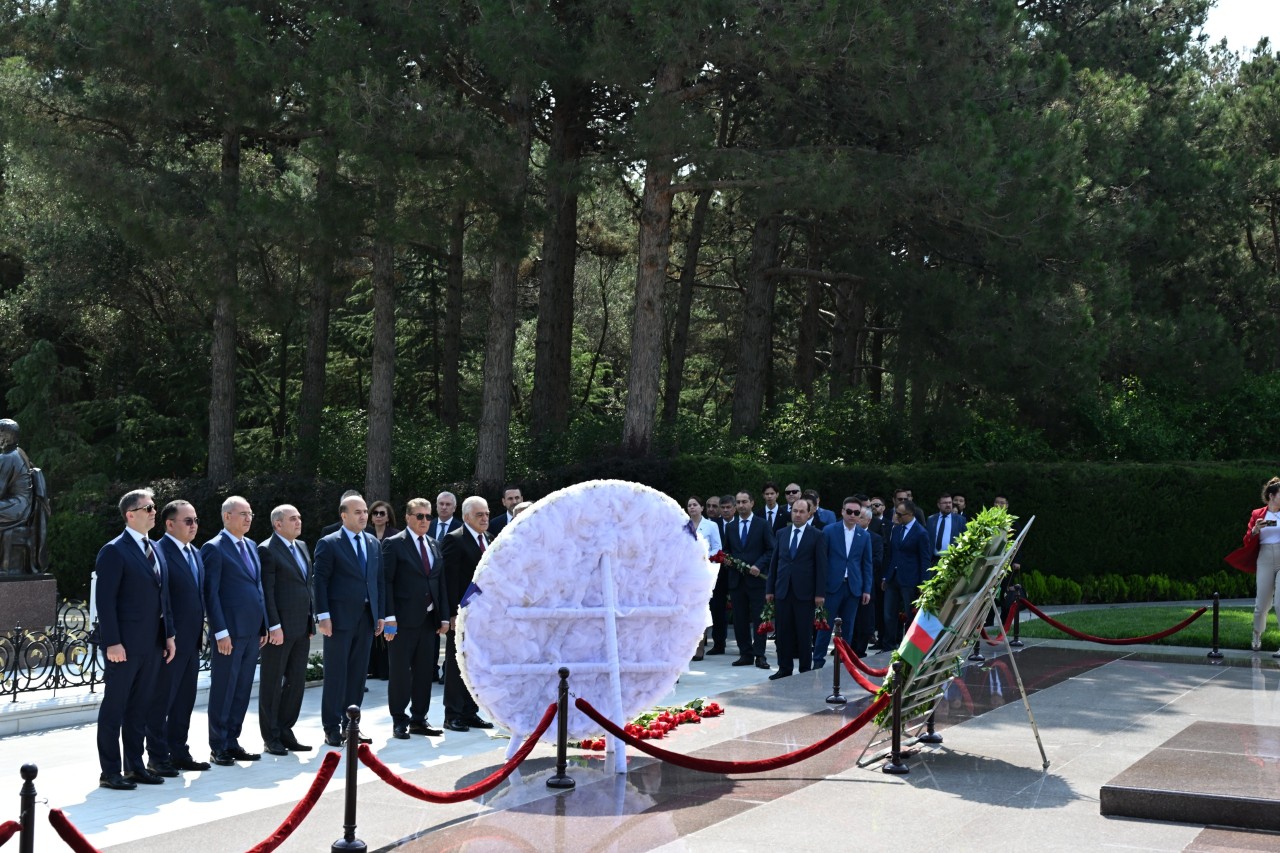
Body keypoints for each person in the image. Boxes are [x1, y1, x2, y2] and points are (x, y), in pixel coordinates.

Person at [95, 489, 175, 790]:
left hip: (153, 643)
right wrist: (112, 642)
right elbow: (106, 602)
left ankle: (135, 766)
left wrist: (169, 636)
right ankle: (110, 771)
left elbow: (163, 597)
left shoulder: (155, 548)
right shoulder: (114, 551)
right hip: (124, 646)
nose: (155, 511)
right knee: (115, 708)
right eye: (148, 507)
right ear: (130, 514)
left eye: (154, 507)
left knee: (139, 708)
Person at [314, 494, 385, 746]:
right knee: (336, 674)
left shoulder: (373, 543)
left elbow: (377, 581)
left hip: (366, 618)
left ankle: (351, 725)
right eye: (358, 512)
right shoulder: (329, 543)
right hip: (339, 619)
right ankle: (331, 726)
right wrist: (323, 615)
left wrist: (380, 615)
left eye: (365, 511)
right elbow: (320, 581)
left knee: (357, 675)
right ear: (344, 515)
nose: (364, 516)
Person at [203, 496, 268, 766]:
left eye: (250, 513)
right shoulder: (214, 548)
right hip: (229, 633)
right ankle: (218, 745)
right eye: (243, 513)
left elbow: (258, 587)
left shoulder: (251, 545)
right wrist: (220, 631)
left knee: (242, 689)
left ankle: (233, 740)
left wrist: (263, 624)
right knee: (224, 689)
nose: (248, 518)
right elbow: (211, 594)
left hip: (252, 631)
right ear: (227, 516)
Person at [145, 500, 209, 777]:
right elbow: (161, 600)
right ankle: (158, 756)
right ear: (169, 524)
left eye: (195, 520)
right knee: (163, 701)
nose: (194, 525)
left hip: (191, 641)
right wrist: (168, 634)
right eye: (188, 521)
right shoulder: (159, 551)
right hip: (169, 642)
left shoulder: (195, 552)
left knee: (185, 700)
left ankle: (179, 751)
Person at [382, 498, 449, 738]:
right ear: (408, 517)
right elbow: (386, 582)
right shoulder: (394, 544)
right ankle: (399, 719)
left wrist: (443, 616)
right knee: (400, 672)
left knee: (424, 672)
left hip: (428, 620)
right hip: (401, 620)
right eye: (419, 516)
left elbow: (438, 581)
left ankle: (419, 719)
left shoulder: (433, 544)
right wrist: (389, 617)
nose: (424, 521)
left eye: (428, 516)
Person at [257, 504, 315, 755]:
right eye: (293, 518)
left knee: (296, 681)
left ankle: (285, 729)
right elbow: (267, 591)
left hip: (302, 627)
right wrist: (274, 625)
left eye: (299, 517)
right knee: (272, 682)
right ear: (277, 524)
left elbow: (307, 586)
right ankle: (270, 736)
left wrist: (310, 621)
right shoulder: (267, 549)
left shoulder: (301, 546)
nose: (298, 521)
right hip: (280, 630)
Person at [441, 496, 495, 732]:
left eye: (486, 514)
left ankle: (470, 711)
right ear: (466, 518)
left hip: (485, 615)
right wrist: (453, 613)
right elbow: (449, 581)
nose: (484, 519)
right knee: (456, 663)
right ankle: (452, 714)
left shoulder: (491, 539)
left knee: (475, 665)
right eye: (479, 515)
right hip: (462, 614)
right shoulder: (454, 540)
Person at [766, 498, 826, 680]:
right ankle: (784, 667)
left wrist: (819, 593)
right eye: (794, 511)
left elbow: (821, 566)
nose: (797, 514)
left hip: (805, 592)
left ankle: (804, 669)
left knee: (803, 632)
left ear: (809, 514)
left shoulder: (816, 535)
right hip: (783, 590)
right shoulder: (781, 533)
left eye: (801, 511)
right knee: (783, 632)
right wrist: (770, 589)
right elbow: (774, 563)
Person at [812, 497, 873, 668]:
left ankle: (843, 662)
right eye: (849, 511)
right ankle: (818, 662)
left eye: (856, 513)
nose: (852, 515)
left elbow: (867, 564)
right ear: (842, 512)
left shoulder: (864, 535)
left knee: (848, 628)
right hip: (832, 586)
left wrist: (866, 589)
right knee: (825, 626)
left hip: (853, 587)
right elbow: (821, 562)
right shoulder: (829, 530)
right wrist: (820, 588)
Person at [724, 490, 775, 670]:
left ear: (752, 503)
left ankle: (759, 655)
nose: (741, 505)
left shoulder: (762, 524)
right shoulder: (730, 527)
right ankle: (745, 653)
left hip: (757, 581)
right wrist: (729, 560)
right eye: (738, 502)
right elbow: (726, 551)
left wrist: (758, 565)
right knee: (739, 618)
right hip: (737, 581)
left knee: (759, 618)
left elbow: (771, 550)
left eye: (744, 501)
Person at [1238, 477, 1280, 656]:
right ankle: (1257, 634)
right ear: (1272, 496)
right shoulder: (1258, 514)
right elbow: (1247, 539)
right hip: (1264, 556)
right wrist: (1255, 530)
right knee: (1262, 605)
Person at [882, 500, 932, 648]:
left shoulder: (921, 532)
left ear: (910, 514)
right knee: (889, 614)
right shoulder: (896, 530)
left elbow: (925, 559)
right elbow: (891, 555)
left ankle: (907, 646)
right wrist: (886, 576)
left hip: (910, 580)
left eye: (899, 514)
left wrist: (924, 583)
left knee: (909, 615)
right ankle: (888, 645)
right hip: (893, 578)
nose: (896, 516)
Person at [0, 419, 44, 574]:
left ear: (4, 437)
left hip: (16, 506)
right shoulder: (19, 452)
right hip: (22, 504)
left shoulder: (7, 457)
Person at [366, 500, 398, 681]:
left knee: (385, 627)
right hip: (369, 587)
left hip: (387, 586)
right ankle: (371, 668)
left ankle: (385, 669)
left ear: (388, 517)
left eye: (382, 513)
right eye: (375, 513)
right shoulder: (364, 535)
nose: (378, 516)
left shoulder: (395, 535)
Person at [854, 505, 885, 654]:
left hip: (866, 581)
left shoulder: (875, 538)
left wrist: (859, 565)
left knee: (864, 618)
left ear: (869, 520)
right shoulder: (850, 534)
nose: (857, 520)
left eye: (861, 517)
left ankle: (860, 649)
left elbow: (877, 561)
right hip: (849, 582)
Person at [927, 493, 966, 565]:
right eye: (945, 503)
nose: (948, 505)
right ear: (939, 505)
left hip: (951, 561)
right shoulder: (931, 519)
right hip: (933, 560)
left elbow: (964, 540)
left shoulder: (960, 520)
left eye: (950, 502)